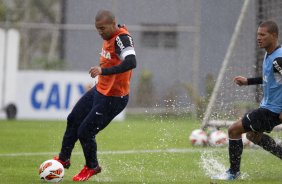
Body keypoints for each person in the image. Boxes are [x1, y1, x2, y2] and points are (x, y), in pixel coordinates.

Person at [54, 9, 137, 181]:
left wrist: (103, 70)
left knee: (85, 131)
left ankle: (92, 166)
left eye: (103, 28)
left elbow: (131, 62)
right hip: (100, 91)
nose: (100, 32)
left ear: (113, 24)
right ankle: (63, 159)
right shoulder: (109, 37)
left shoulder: (122, 38)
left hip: (114, 98)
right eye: (97, 29)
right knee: (73, 119)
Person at [212, 20, 282, 180]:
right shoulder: (270, 54)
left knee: (233, 130)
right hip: (269, 107)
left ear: (274, 35)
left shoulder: (279, 60)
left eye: (263, 35)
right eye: (258, 34)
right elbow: (270, 78)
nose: (259, 38)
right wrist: (248, 81)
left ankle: (233, 173)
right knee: (252, 136)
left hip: (272, 110)